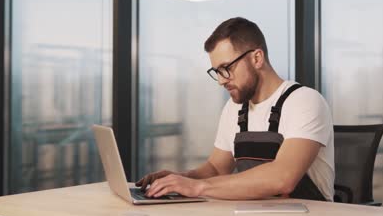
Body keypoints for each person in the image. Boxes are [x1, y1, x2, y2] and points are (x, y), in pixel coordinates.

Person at [136, 17, 335, 201]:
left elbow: (283, 177)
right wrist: (178, 180)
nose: (221, 81)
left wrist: (197, 187)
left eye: (226, 68)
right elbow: (216, 168)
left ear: (257, 58)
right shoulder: (235, 107)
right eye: (217, 72)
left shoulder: (305, 101)